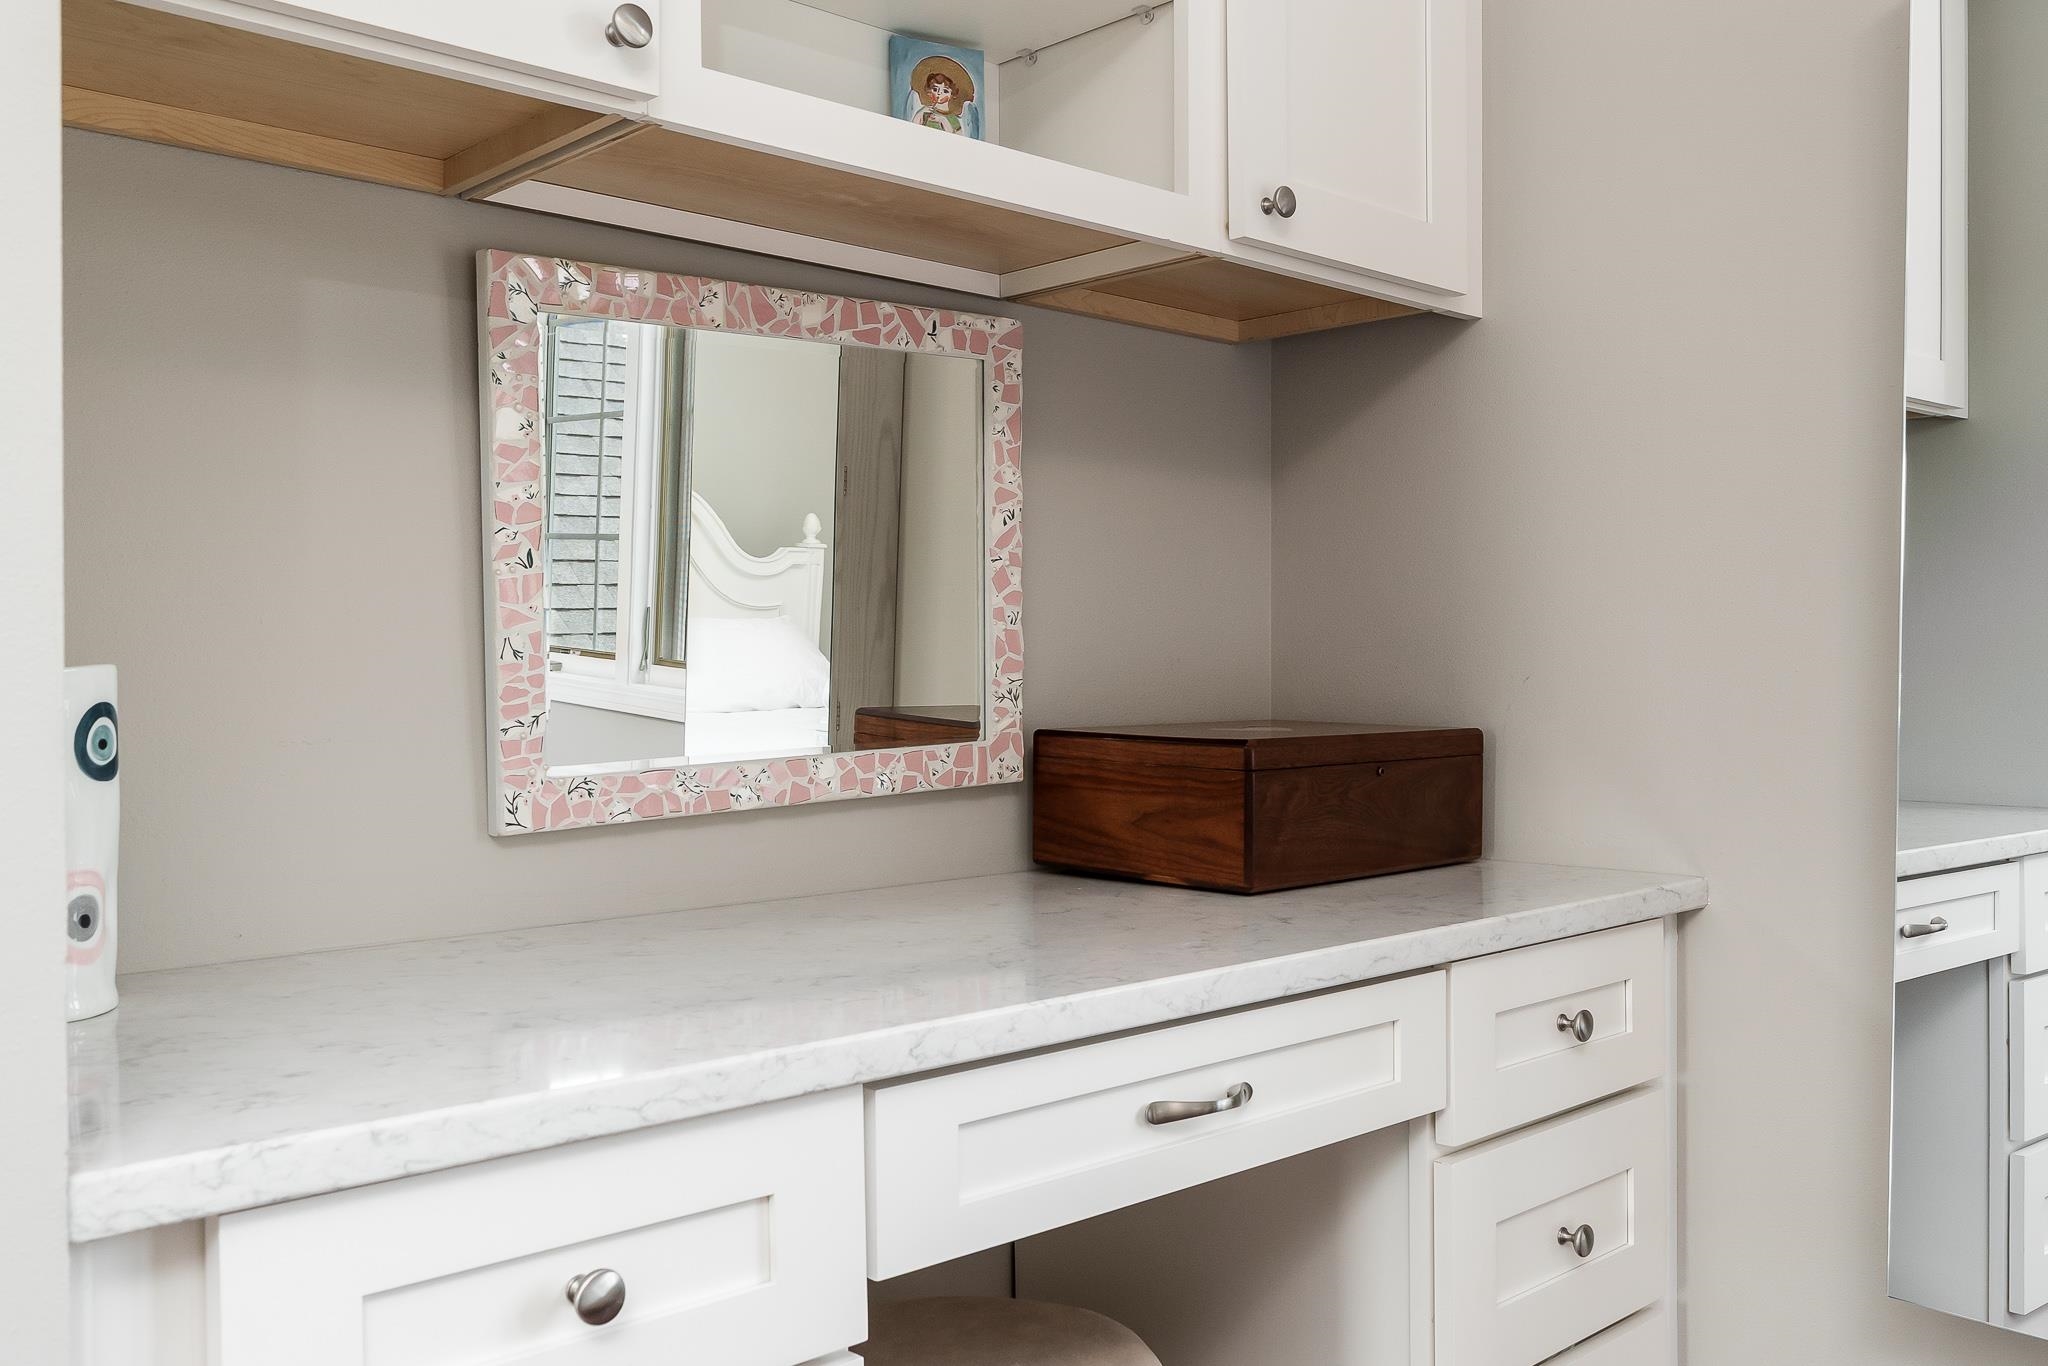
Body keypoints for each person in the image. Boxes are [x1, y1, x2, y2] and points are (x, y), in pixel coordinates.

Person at [906, 54, 978, 137]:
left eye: (945, 91)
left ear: (952, 94)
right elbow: (912, 131)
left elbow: (958, 140)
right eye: (935, 89)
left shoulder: (953, 119)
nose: (939, 93)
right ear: (929, 91)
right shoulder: (924, 112)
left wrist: (943, 121)